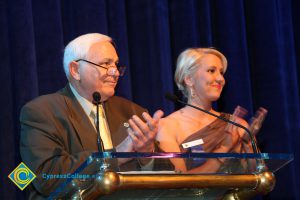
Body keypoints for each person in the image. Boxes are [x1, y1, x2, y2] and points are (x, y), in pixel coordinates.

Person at [20, 33, 163, 199]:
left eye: (116, 64)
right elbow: (46, 177)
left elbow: (170, 175)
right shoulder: (42, 112)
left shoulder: (133, 112)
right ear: (75, 70)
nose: (115, 72)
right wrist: (116, 156)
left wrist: (147, 154)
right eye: (105, 64)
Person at [156, 48, 253, 173]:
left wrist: (249, 144)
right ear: (189, 79)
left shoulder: (237, 125)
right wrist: (224, 148)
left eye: (221, 72)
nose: (220, 79)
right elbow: (179, 183)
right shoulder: (167, 127)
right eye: (211, 71)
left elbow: (261, 179)